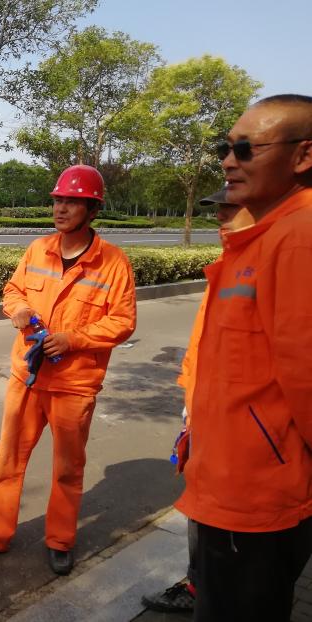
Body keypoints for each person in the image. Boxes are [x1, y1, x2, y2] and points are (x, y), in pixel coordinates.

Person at [174, 94, 312, 621]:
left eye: (247, 149)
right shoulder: (263, 240)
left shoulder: (298, 241)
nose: (229, 162)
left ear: (303, 156)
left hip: (257, 498)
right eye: (225, 149)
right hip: (229, 484)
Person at [0, 165, 137, 574]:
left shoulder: (113, 263)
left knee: (67, 469)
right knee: (7, 458)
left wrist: (73, 339)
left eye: (72, 202)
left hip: (75, 383)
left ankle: (60, 539)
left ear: (93, 209)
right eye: (58, 200)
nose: (61, 208)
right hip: (28, 376)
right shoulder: (38, 249)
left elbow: (123, 321)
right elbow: (13, 290)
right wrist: (18, 308)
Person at [141, 187, 253, 613]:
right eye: (219, 208)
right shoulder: (229, 265)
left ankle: (214, 591)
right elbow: (205, 345)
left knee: (235, 541)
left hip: (248, 437)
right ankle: (197, 586)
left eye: (231, 207)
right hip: (208, 418)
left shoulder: (276, 264)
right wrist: (192, 398)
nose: (221, 215)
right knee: (202, 516)